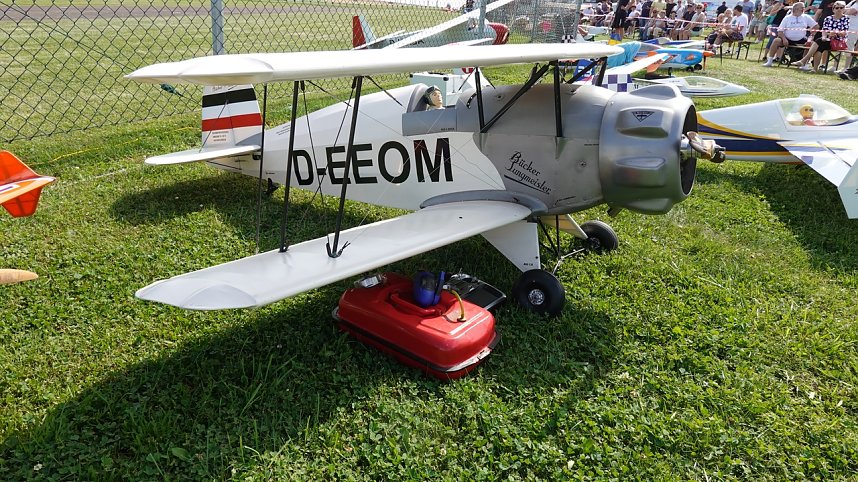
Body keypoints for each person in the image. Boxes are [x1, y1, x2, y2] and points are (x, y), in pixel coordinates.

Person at [791, 1, 851, 71]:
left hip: (838, 42)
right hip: (827, 40)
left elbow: (844, 33)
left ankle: (804, 61)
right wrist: (825, 36)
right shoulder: (828, 18)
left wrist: (835, 33)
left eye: (841, 7)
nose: (839, 9)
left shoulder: (846, 18)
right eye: (837, 8)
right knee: (819, 47)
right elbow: (824, 31)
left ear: (844, 9)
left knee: (818, 42)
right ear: (833, 9)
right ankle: (814, 68)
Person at [762, 2, 817, 66]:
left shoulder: (806, 17)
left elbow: (816, 27)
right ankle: (770, 61)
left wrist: (811, 36)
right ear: (796, 9)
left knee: (811, 44)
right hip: (787, 39)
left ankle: (804, 64)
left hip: (802, 39)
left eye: (803, 8)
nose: (803, 9)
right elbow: (780, 31)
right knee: (776, 41)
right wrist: (784, 39)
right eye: (802, 8)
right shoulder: (787, 18)